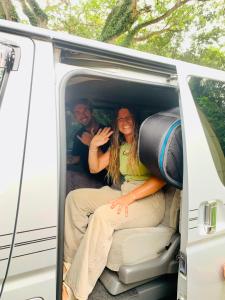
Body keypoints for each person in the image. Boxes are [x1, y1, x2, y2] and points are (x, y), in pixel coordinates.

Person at [63, 107, 166, 300]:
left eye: (128, 117)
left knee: (103, 215)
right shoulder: (119, 147)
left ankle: (75, 290)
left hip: (150, 200)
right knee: (75, 199)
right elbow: (94, 168)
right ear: (116, 124)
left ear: (136, 119)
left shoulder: (147, 143)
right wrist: (93, 145)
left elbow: (160, 179)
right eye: (120, 118)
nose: (124, 121)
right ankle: (70, 262)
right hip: (126, 190)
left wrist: (129, 197)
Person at [67, 98, 109, 192]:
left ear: (91, 111)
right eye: (77, 112)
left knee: (68, 177)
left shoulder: (107, 131)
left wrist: (92, 144)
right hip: (85, 175)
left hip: (104, 181)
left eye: (85, 110)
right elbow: (76, 158)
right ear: (75, 117)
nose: (82, 115)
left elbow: (111, 166)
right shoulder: (79, 134)